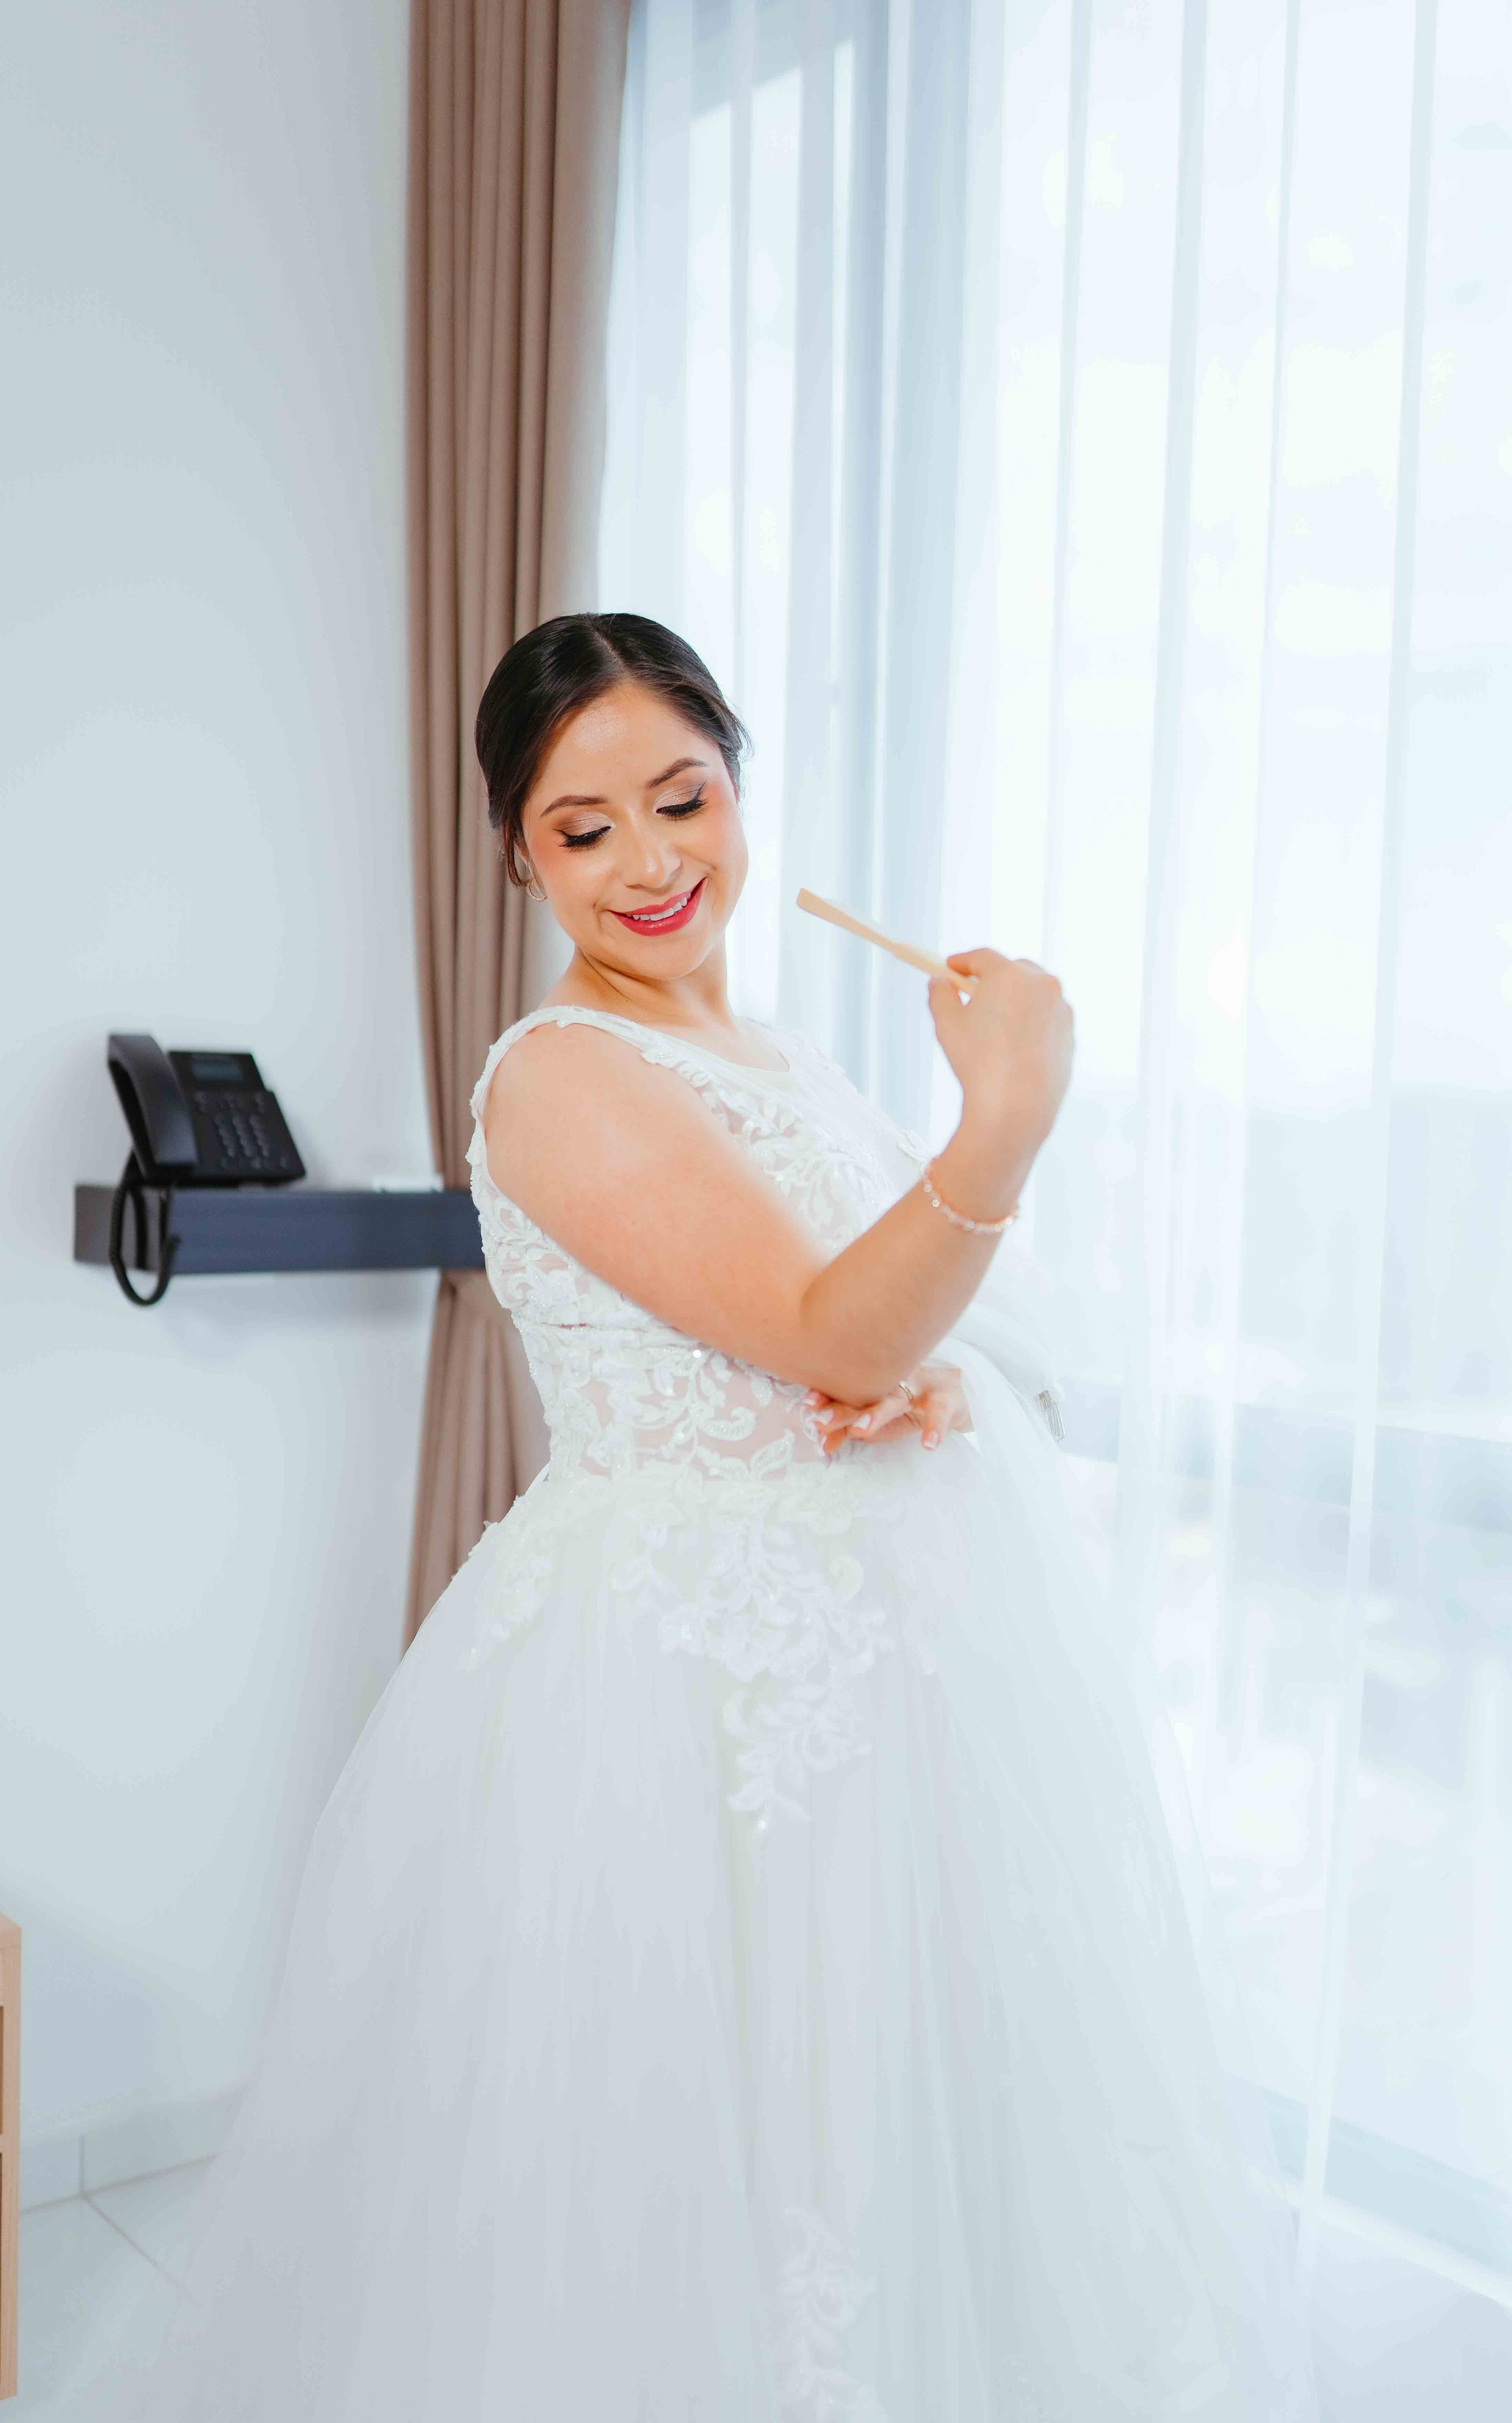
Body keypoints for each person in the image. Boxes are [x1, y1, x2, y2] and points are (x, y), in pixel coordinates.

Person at [139, 613, 1320, 2419]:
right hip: (677, 1692)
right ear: (518, 855)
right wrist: (1000, 1124)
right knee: (698, 2174)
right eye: (584, 827)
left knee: (920, 2148)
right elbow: (824, 1321)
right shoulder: (557, 1076)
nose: (651, 861)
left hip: (895, 1673)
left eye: (680, 798)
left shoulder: (778, 1059)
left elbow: (859, 1331)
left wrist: (919, 1375)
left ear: (738, 784)